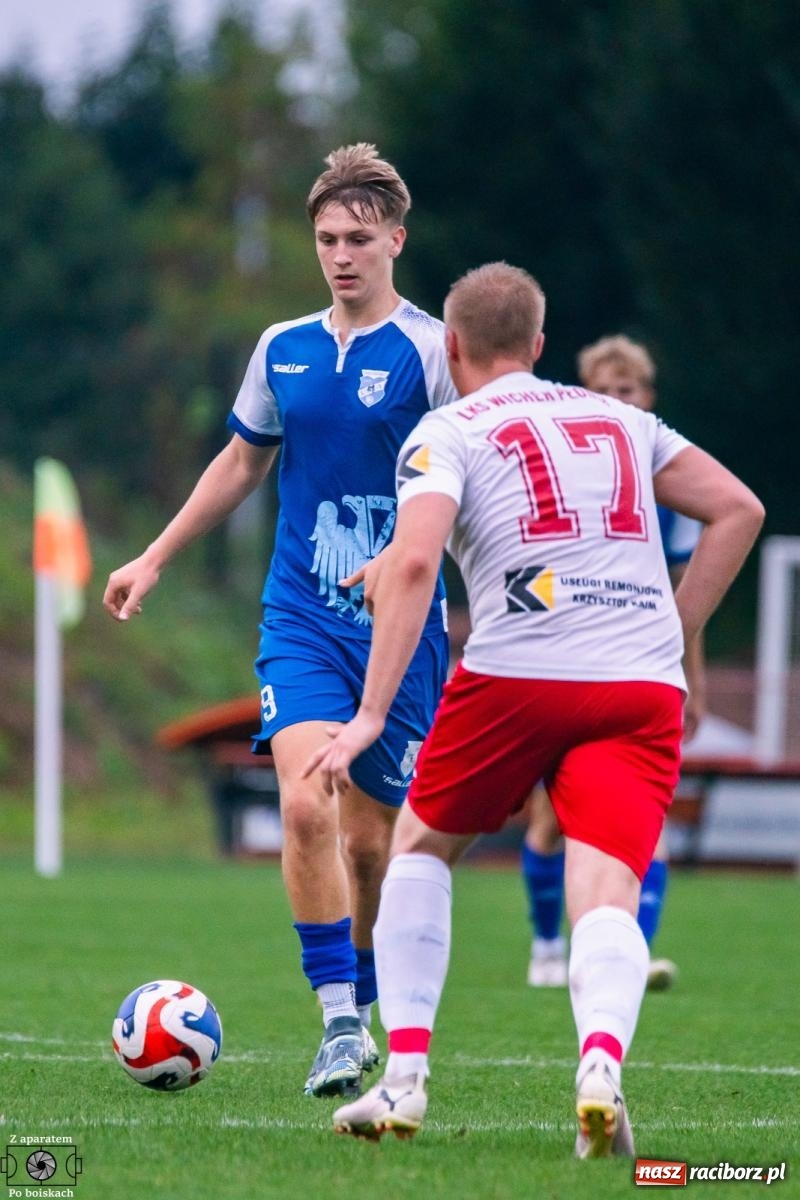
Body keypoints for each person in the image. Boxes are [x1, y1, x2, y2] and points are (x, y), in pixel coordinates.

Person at [303, 261, 764, 1153]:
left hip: (517, 672)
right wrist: (677, 624)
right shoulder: (627, 420)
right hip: (638, 680)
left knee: (421, 846)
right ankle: (599, 1065)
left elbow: (413, 562)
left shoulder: (447, 428)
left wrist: (367, 715)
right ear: (543, 347)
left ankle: (401, 1083)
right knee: (609, 886)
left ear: (453, 346)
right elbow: (737, 508)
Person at [103, 144, 458, 1099]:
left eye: (357, 239)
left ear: (395, 239)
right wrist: (155, 555)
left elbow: (477, 477)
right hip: (299, 614)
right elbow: (241, 462)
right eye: (325, 240)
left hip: (399, 633)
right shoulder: (282, 347)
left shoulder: (431, 352)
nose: (340, 257)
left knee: (374, 846)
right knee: (305, 804)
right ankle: (340, 1022)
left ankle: (371, 1001)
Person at [522, 334, 705, 992]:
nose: (614, 403)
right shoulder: (559, 472)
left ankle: (632, 952)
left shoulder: (668, 477)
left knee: (640, 821)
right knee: (550, 819)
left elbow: (686, 591)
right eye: (601, 391)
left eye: (626, 392)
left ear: (647, 400)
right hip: (567, 663)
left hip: (642, 669)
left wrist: (693, 679)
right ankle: (546, 944)